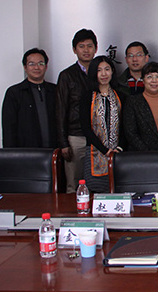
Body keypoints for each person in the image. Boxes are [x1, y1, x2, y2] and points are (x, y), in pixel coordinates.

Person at [56, 28, 97, 193]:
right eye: (81, 46)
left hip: (98, 137)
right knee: (74, 184)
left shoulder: (102, 72)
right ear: (74, 50)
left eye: (90, 46)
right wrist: (63, 143)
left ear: (96, 48)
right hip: (76, 136)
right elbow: (60, 110)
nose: (86, 50)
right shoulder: (67, 75)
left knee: (96, 183)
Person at [79, 56, 124, 192]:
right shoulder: (87, 97)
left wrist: (118, 148)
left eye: (107, 69)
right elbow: (86, 128)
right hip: (95, 151)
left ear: (112, 71)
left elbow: (124, 126)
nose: (104, 74)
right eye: (99, 70)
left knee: (118, 190)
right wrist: (104, 150)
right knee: (96, 191)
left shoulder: (121, 96)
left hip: (117, 153)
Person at [2, 48, 57, 148]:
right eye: (31, 64)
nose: (36, 67)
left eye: (41, 63)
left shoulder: (55, 90)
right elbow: (9, 127)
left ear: (46, 67)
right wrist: (10, 153)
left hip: (54, 150)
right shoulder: (14, 92)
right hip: (26, 151)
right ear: (25, 67)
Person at [123, 62, 158, 152]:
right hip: (140, 155)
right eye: (149, 77)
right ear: (143, 80)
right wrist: (150, 153)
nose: (154, 80)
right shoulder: (132, 102)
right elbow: (131, 133)